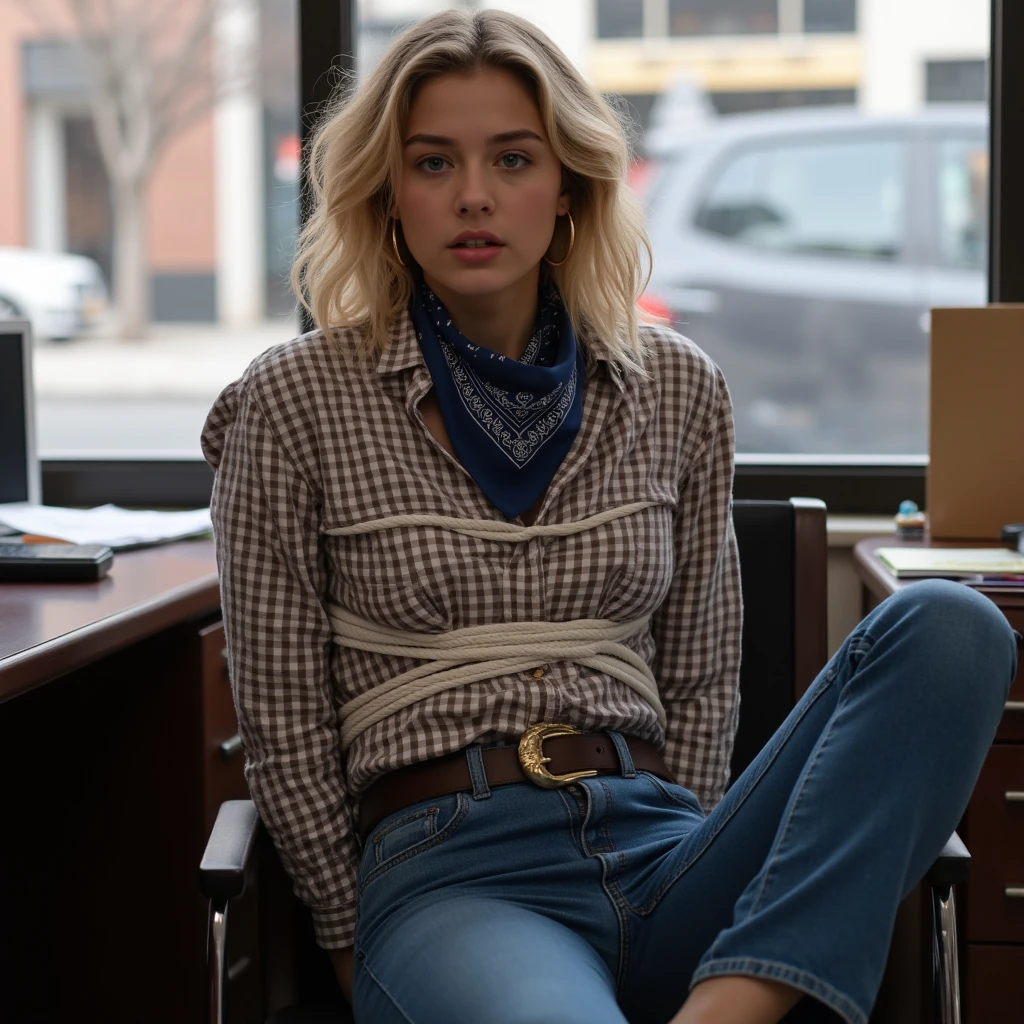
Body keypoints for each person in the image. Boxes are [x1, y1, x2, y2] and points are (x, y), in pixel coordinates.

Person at [201, 10, 1019, 1024]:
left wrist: (709, 861)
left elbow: (700, 676)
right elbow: (282, 716)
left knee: (953, 627)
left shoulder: (676, 386)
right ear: (386, 192)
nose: (473, 195)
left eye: (511, 159)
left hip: (665, 845)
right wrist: (345, 933)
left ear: (571, 188)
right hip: (455, 878)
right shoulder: (291, 400)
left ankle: (730, 998)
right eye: (432, 162)